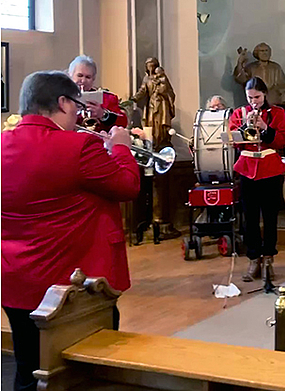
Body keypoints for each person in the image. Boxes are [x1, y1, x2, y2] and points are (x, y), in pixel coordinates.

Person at [1, 71, 140, 391]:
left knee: (28, 364)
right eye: (76, 106)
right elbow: (127, 186)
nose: (78, 114)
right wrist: (120, 148)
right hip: (74, 285)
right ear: (63, 102)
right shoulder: (80, 145)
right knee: (85, 371)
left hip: (15, 279)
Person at [229, 77, 285, 283]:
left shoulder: (277, 113)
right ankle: (254, 258)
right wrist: (244, 127)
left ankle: (269, 258)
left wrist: (264, 127)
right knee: (250, 218)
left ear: (264, 94)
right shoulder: (239, 113)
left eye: (257, 97)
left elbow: (281, 140)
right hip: (247, 170)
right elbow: (235, 142)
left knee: (270, 216)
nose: (253, 101)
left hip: (270, 169)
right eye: (250, 98)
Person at [68, 55, 128, 132]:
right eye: (80, 75)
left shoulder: (107, 98)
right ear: (70, 75)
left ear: (93, 79)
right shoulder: (61, 98)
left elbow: (123, 123)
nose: (83, 81)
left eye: (88, 77)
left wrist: (103, 114)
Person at [130, 57, 176, 150]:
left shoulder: (162, 78)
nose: (150, 68)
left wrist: (161, 89)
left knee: (161, 124)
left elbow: (168, 91)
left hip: (161, 104)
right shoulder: (146, 79)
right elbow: (143, 90)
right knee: (150, 123)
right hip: (151, 104)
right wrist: (135, 98)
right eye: (148, 66)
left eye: (152, 66)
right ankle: (153, 143)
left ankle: (162, 142)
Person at [234, 43, 285, 109]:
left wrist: (283, 99)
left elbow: (282, 85)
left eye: (266, 51)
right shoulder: (251, 67)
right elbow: (241, 79)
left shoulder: (275, 67)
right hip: (256, 104)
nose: (265, 53)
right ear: (257, 53)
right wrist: (240, 62)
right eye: (262, 51)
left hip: (274, 102)